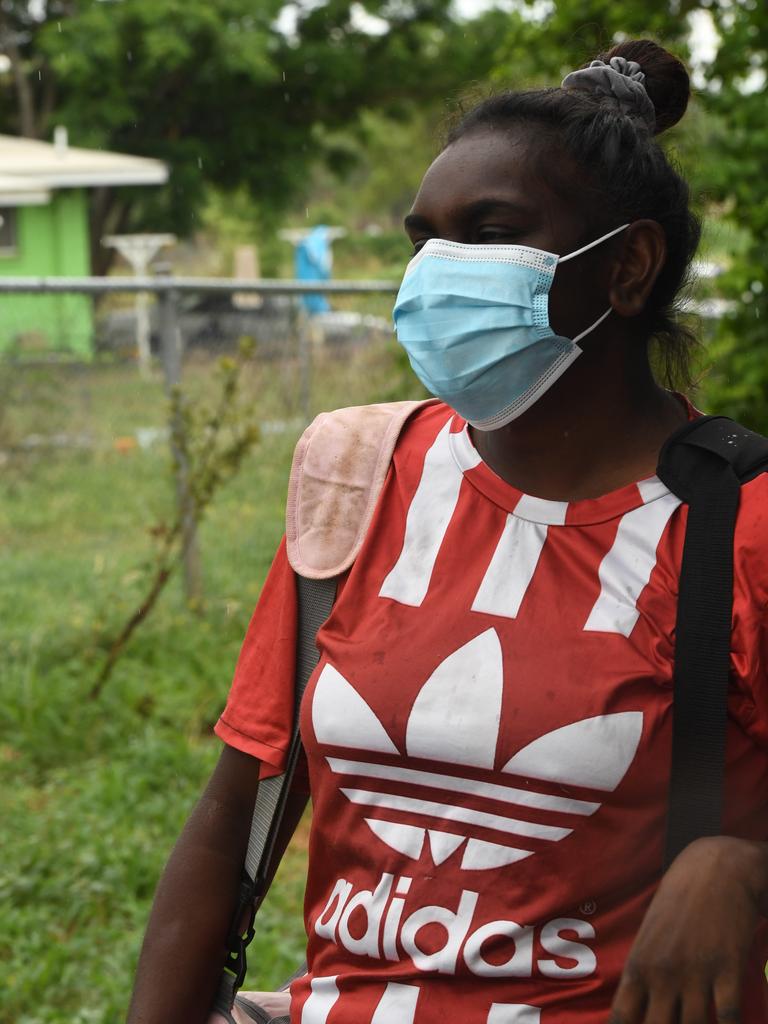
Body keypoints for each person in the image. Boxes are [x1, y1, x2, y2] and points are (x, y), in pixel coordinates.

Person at [127, 38, 768, 1024]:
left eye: (488, 230)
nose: (437, 272)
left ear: (628, 266)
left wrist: (742, 869)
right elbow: (229, 819)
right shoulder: (360, 475)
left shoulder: (742, 523)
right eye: (425, 238)